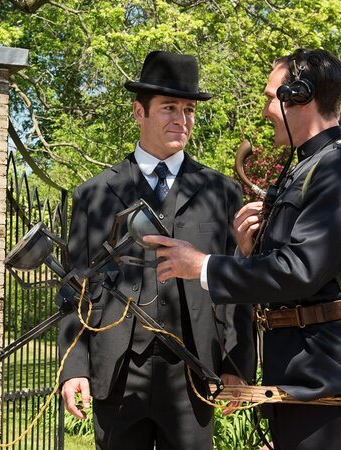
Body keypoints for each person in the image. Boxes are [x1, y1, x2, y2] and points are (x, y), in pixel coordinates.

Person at [145, 48, 341, 449]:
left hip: (328, 383)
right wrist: (248, 250)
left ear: (299, 96)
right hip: (301, 381)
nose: (267, 108)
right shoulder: (309, 166)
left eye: (272, 97)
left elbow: (299, 270)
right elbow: (296, 273)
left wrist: (202, 265)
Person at [57, 50, 255, 449]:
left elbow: (237, 286)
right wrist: (72, 366)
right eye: (168, 108)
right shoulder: (94, 194)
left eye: (188, 109)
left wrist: (237, 365)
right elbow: (73, 287)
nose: (181, 119)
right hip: (116, 369)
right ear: (138, 112)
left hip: (193, 371)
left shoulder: (222, 193)